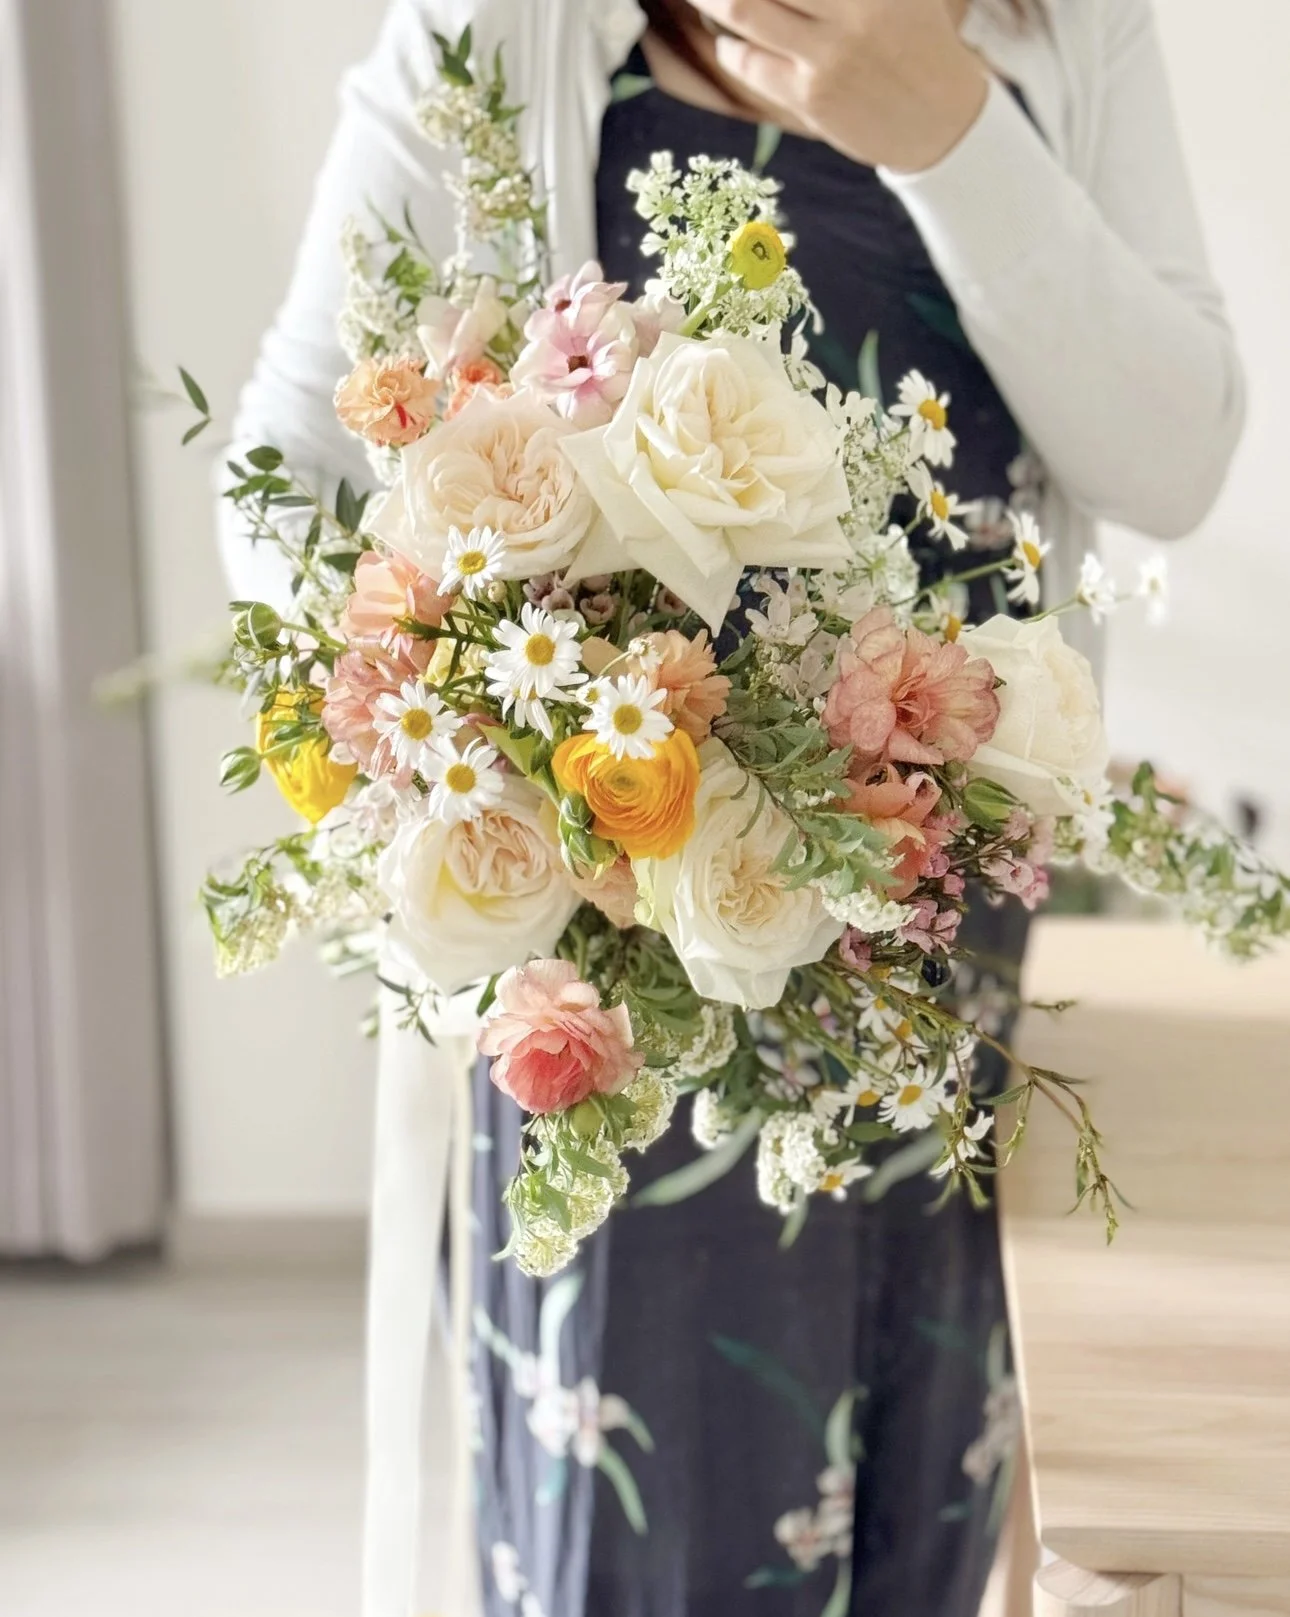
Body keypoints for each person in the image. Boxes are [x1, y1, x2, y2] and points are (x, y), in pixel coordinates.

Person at [218, 3, 1243, 1614]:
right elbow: (280, 467)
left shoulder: (1063, 28)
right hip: (609, 967)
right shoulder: (503, 29)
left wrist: (954, 134)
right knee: (647, 1531)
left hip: (925, 939)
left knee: (923, 1510)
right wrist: (495, 710)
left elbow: (1174, 458)